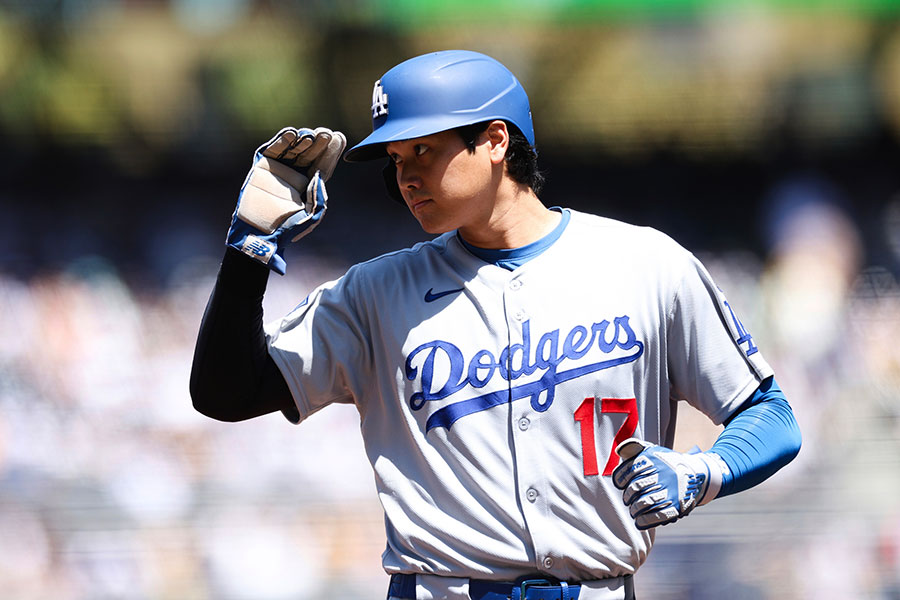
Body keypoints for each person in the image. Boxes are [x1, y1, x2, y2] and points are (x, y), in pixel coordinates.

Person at [190, 50, 801, 600]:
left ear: (496, 140)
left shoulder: (645, 264)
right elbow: (225, 393)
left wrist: (703, 472)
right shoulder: (375, 293)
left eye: (423, 150)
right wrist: (248, 252)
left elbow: (770, 414)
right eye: (396, 159)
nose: (405, 176)